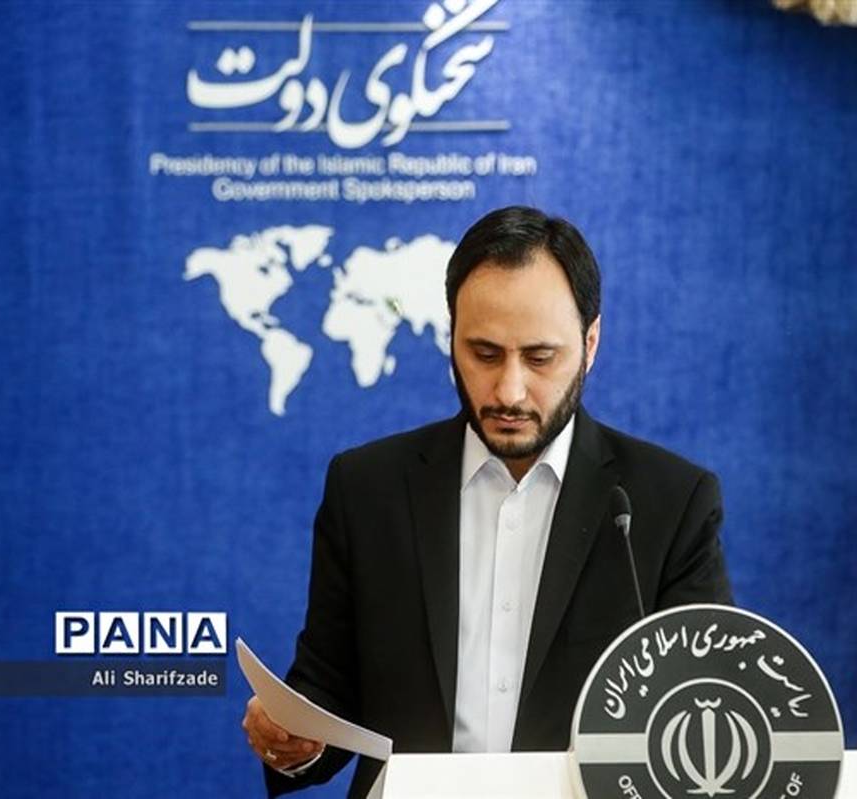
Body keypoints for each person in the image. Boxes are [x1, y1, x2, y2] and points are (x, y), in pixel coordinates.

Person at [241, 206, 733, 797]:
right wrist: (291, 736)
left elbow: (703, 707)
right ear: (451, 337)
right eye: (485, 354)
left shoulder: (670, 503)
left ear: (590, 343)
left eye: (540, 357)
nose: (509, 391)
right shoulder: (367, 488)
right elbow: (326, 692)